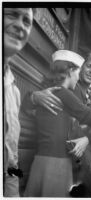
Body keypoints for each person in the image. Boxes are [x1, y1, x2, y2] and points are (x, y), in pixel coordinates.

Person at [23, 50, 91, 197]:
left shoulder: (55, 91)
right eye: (85, 67)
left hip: (42, 159)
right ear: (72, 71)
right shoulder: (66, 92)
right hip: (59, 160)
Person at [4, 8, 34, 197]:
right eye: (12, 14)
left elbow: (11, 159)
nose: (20, 26)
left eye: (27, 21)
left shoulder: (14, 90)